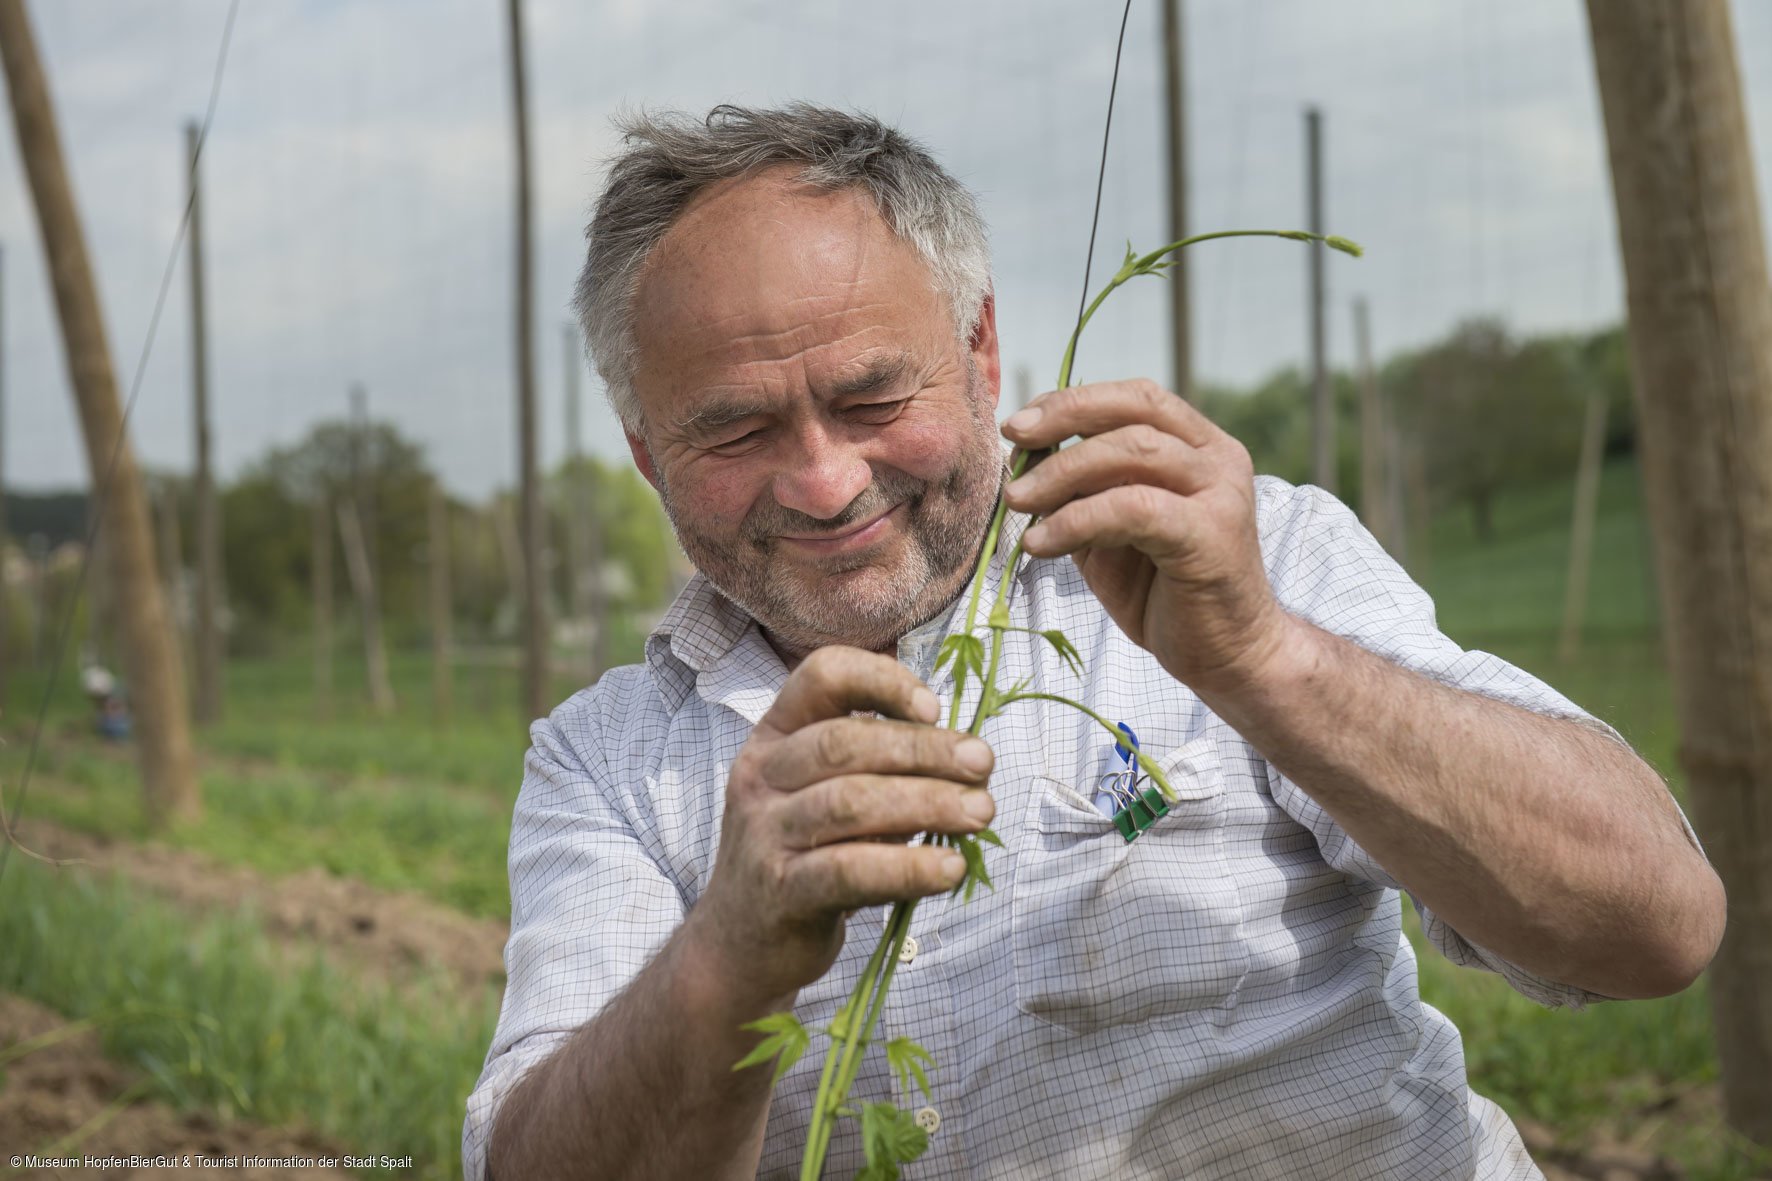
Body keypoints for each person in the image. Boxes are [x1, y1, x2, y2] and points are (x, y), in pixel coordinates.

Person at [464, 104, 1724, 1181]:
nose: (822, 480)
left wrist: (1265, 661)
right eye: (734, 429)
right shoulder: (610, 765)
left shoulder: (1234, 564)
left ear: (979, 351)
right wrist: (726, 954)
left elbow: (1653, 930)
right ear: (645, 451)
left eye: (869, 398)